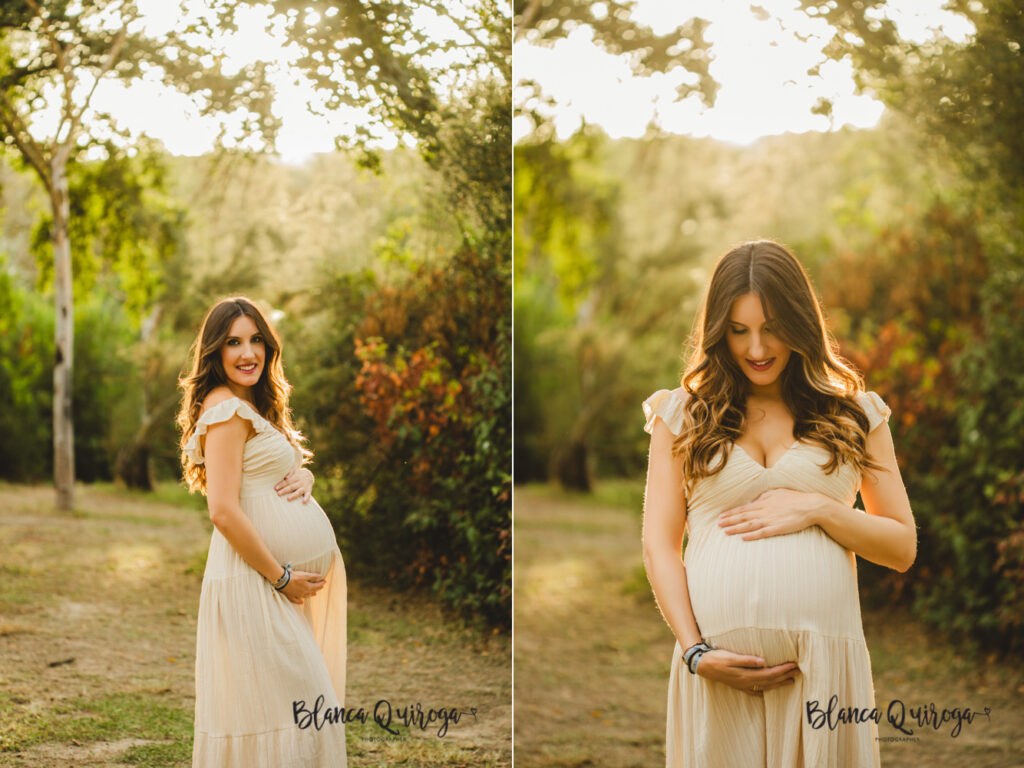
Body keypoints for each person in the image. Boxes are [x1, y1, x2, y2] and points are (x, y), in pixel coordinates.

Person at [641, 240, 916, 767]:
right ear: (718, 330)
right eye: (738, 330)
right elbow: (659, 546)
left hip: (823, 671)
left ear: (799, 322)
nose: (756, 348)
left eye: (772, 328)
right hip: (717, 671)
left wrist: (820, 510)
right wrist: (696, 652)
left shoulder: (855, 415)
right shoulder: (683, 415)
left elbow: (902, 547)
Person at [178, 296, 347, 767]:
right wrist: (281, 577)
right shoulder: (225, 408)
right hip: (255, 580)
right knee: (302, 710)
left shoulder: (249, 404)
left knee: (290, 712)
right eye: (233, 342)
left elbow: (265, 476)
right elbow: (222, 510)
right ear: (215, 351)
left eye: (256, 340)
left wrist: (303, 475)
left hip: (266, 582)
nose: (248, 352)